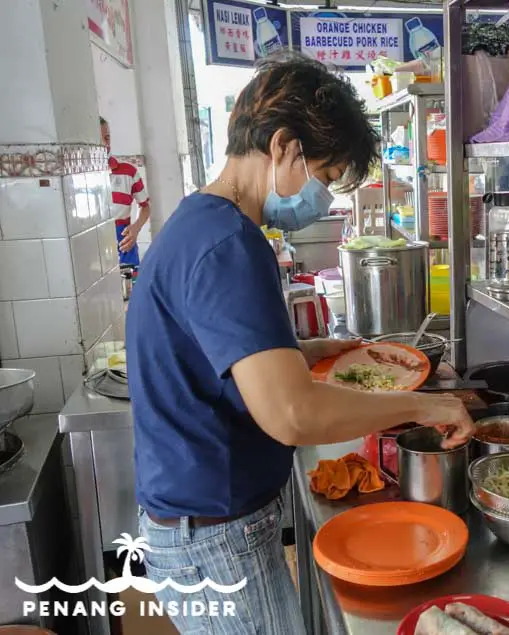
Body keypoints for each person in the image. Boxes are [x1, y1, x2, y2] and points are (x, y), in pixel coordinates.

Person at [125, 54, 475, 635]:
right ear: (284, 146)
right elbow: (294, 414)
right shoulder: (230, 244)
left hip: (197, 523)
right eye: (327, 174)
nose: (326, 196)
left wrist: (300, 353)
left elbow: (224, 364)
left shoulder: (197, 223)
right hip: (216, 534)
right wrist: (427, 405)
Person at [100, 116, 151, 267]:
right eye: (99, 139)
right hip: (95, 248)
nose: (105, 144)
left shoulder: (128, 172)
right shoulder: (78, 177)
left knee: (130, 286)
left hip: (124, 243)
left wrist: (135, 229)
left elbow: (146, 206)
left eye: (107, 138)